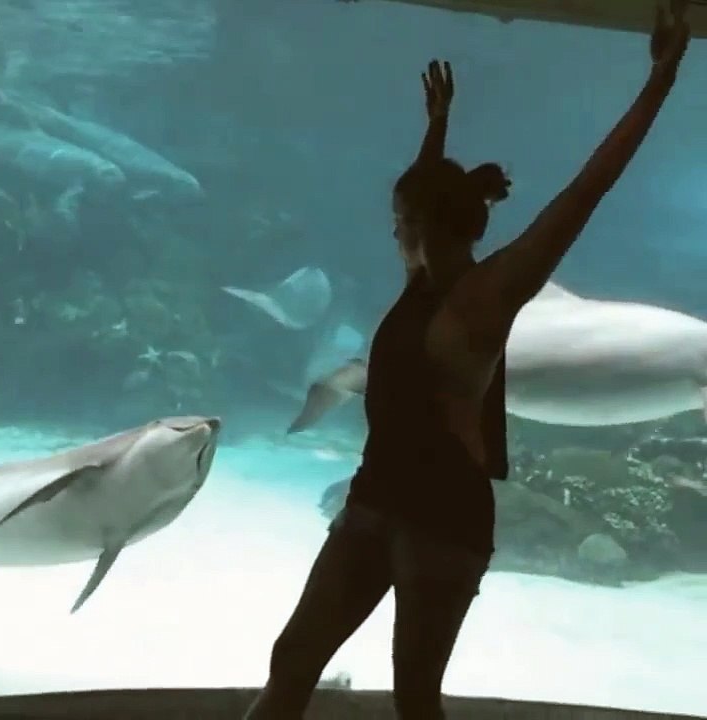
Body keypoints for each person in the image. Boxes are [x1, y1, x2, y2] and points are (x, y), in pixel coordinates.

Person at [243, 3, 692, 719]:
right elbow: (427, 197)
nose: (392, 232)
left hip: (442, 519)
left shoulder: (489, 293)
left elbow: (586, 191)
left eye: (400, 223)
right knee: (294, 657)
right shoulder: (422, 277)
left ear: (420, 228)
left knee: (415, 693)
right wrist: (437, 129)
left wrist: (658, 85)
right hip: (373, 501)